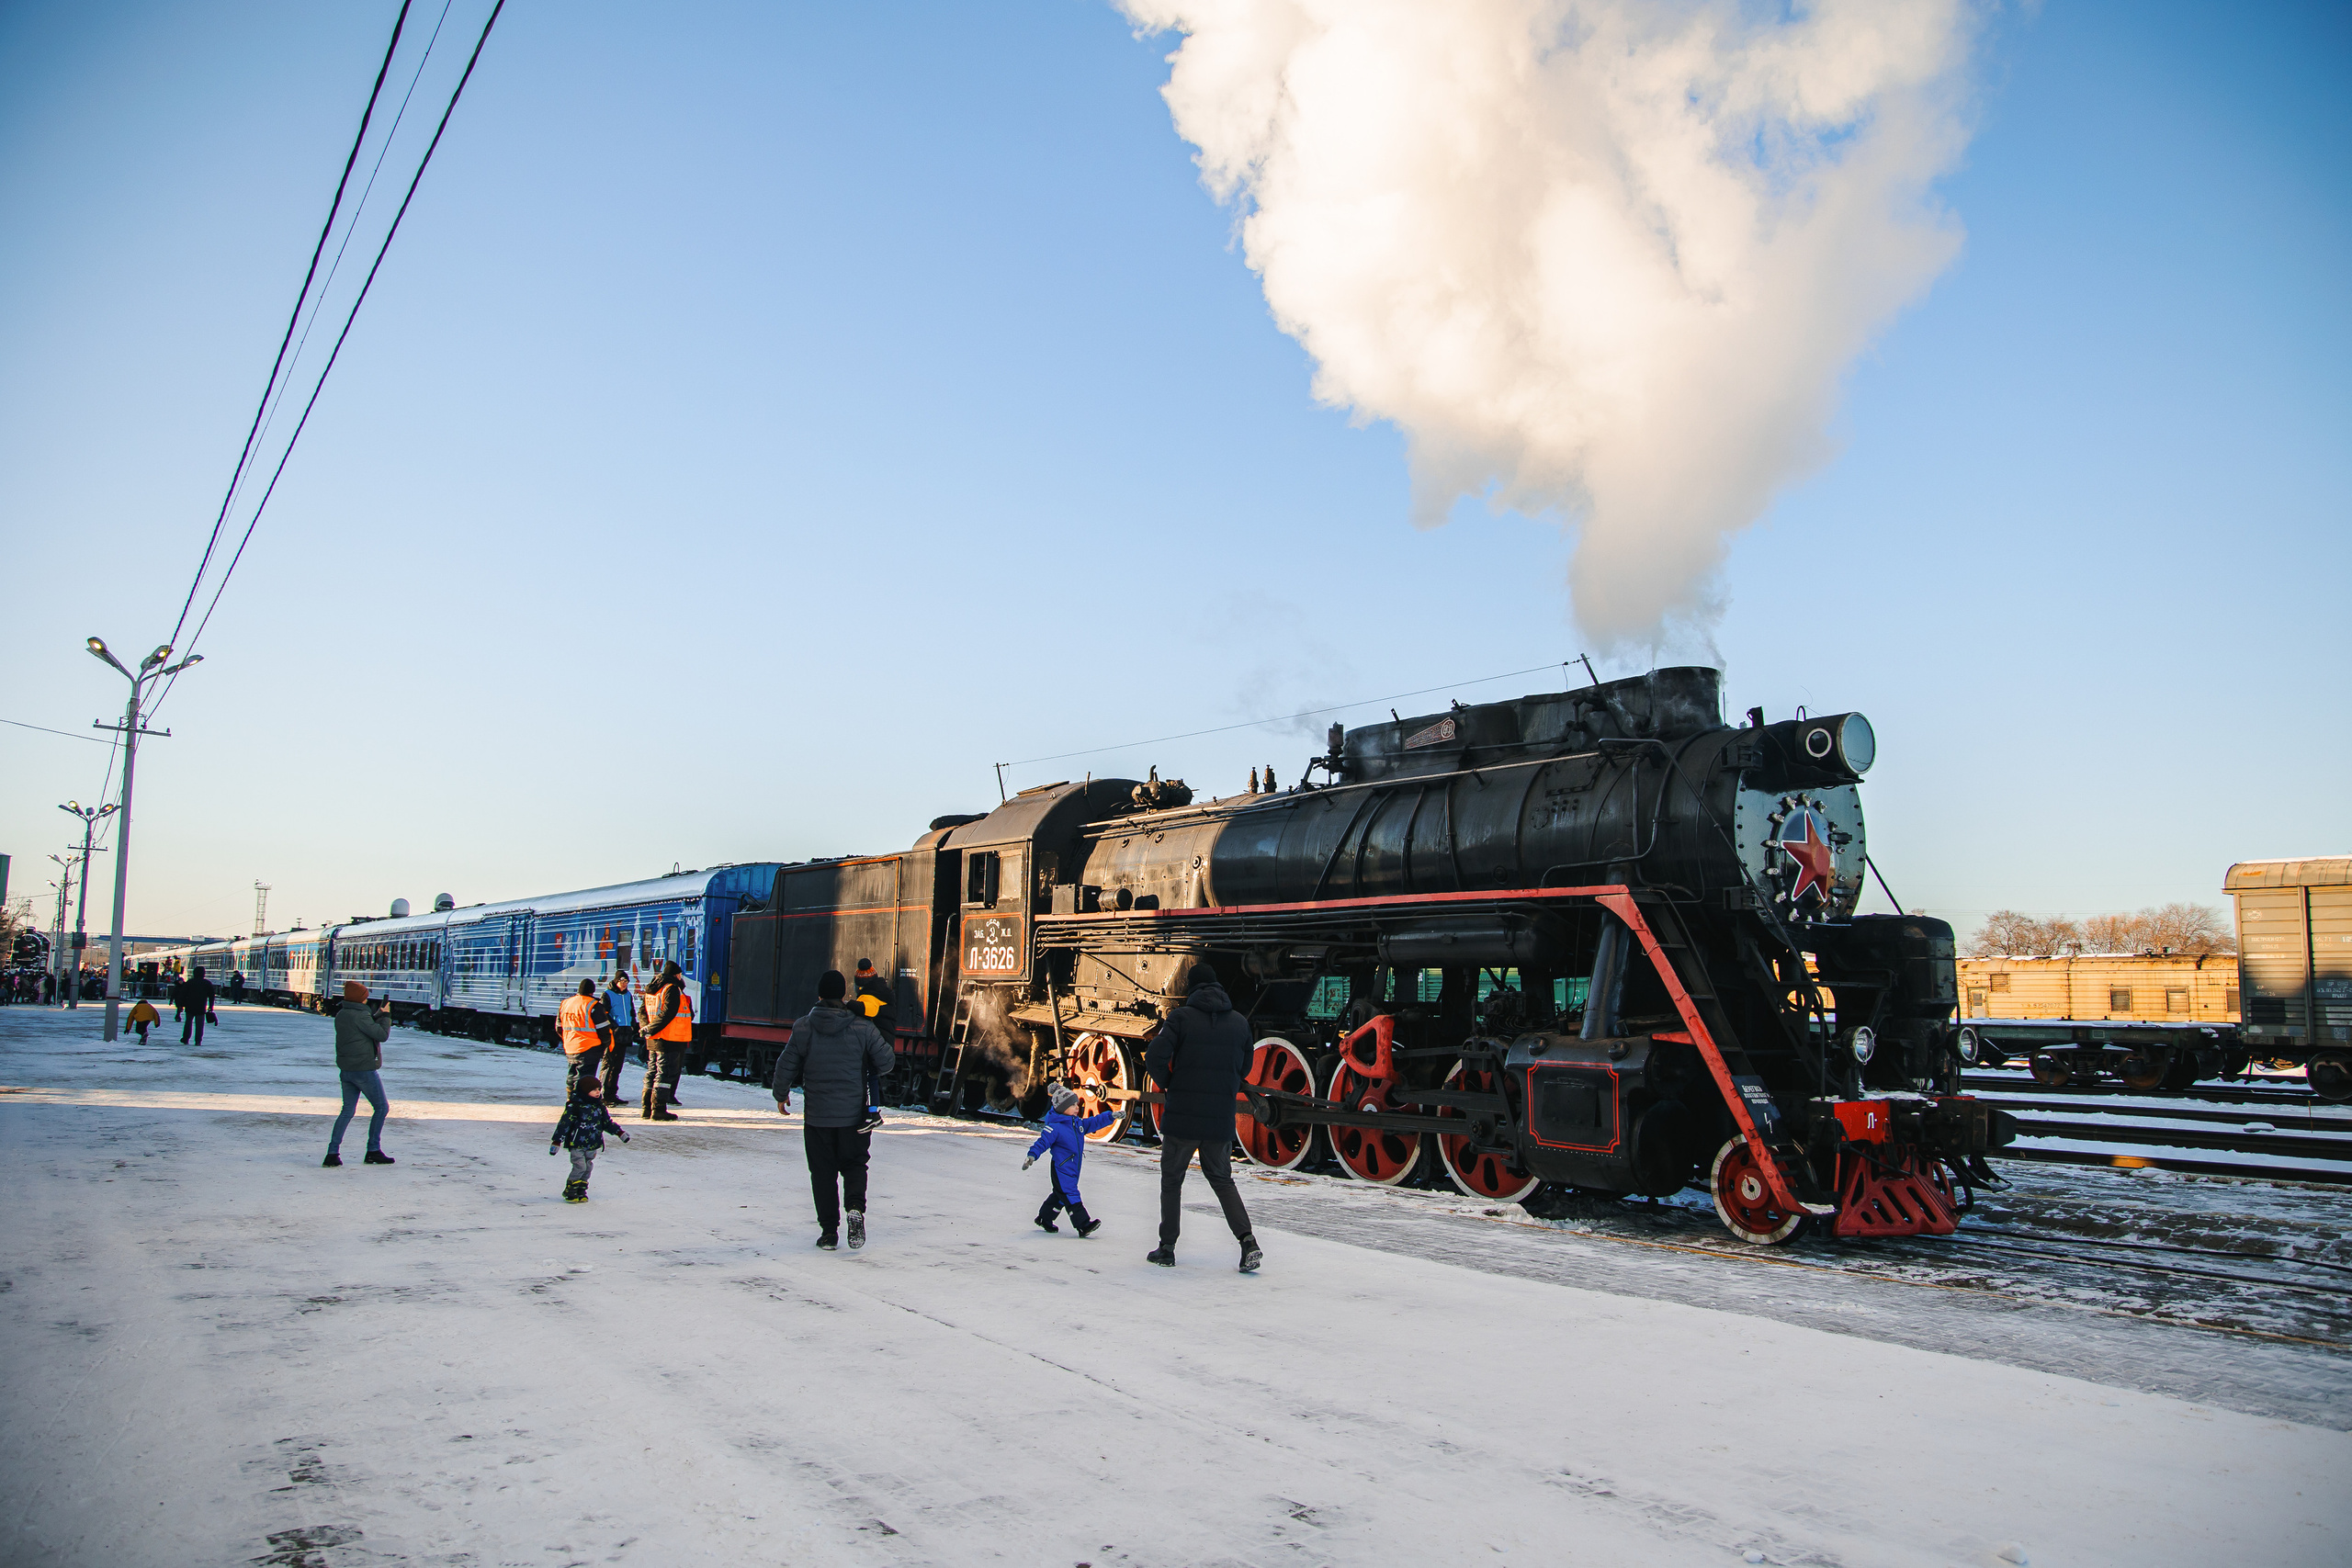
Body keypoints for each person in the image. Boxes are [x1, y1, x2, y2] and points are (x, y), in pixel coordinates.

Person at [1143, 964, 1261, 1272]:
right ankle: (1248, 1241)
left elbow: (1154, 1056)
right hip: (1218, 1120)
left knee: (1172, 1181)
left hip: (1182, 1116)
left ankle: (1167, 1248)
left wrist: (1168, 1084)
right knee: (1223, 1181)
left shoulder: (1180, 1018)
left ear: (1192, 988)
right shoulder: (1239, 1023)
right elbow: (1244, 1068)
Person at [771, 969, 895, 1251]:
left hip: (818, 1118)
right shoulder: (863, 1027)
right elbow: (887, 1062)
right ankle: (855, 1207)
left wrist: (781, 1094)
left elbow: (785, 1065)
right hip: (854, 1117)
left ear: (819, 995)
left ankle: (829, 1233)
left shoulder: (803, 1027)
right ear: (844, 996)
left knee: (823, 1173)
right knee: (854, 1164)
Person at [1023, 1082, 1114, 1235]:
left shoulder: (1076, 1124)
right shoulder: (1055, 1127)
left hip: (1072, 1168)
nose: (1077, 1108)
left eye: (1077, 1104)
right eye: (1073, 1105)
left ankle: (1044, 1218)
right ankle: (1083, 1225)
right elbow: (1042, 1142)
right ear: (1062, 1108)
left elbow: (1093, 1123)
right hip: (1061, 1168)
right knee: (1070, 1195)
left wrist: (1110, 1116)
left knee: (1060, 1196)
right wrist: (1032, 1155)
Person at [325, 981, 394, 1168]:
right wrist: (386, 1016)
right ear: (359, 998)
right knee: (381, 1108)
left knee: (347, 1110)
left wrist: (377, 1015)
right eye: (364, 994)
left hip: (346, 1070)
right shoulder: (361, 1015)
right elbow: (381, 1035)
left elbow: (363, 1027)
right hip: (363, 1070)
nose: (366, 997)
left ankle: (332, 1153)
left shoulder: (342, 1014)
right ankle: (373, 1150)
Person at [549, 1081, 630, 1201]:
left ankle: (581, 1189)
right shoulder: (575, 1107)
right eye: (594, 1090)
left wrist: (619, 1132)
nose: (598, 1092)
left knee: (588, 1167)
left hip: (593, 1143)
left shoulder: (599, 1107)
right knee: (580, 1166)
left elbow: (607, 1123)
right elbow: (564, 1124)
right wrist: (557, 1141)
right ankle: (570, 1189)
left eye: (599, 1089)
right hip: (577, 1143)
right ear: (584, 1091)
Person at [639, 961, 692, 1120]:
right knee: (664, 1073)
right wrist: (652, 1029)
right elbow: (668, 1013)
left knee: (652, 1072)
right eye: (680, 975)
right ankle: (659, 1109)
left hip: (654, 1038)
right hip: (670, 1038)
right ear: (676, 975)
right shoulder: (671, 989)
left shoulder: (652, 990)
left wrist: (647, 1028)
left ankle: (646, 1108)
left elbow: (642, 1011)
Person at [853, 958, 895, 1131]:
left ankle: (872, 1113)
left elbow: (868, 1009)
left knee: (869, 1075)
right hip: (884, 1043)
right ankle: (871, 1111)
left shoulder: (870, 996)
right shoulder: (881, 991)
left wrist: (847, 1005)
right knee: (870, 1075)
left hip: (878, 1045)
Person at [558, 978, 605, 1099]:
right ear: (592, 992)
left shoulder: (565, 1003)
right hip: (590, 1048)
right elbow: (604, 1030)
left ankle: (571, 1099)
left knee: (572, 1074)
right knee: (585, 1079)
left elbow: (559, 1027)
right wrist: (604, 1045)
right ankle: (582, 1104)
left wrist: (568, 1039)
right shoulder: (593, 1005)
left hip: (571, 1047)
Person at [600, 971, 638, 1104]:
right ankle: (603, 1094)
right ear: (616, 981)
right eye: (622, 981)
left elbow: (631, 1011)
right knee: (609, 1063)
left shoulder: (627, 995)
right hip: (614, 1033)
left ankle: (612, 1093)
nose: (624, 984)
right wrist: (614, 1026)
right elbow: (604, 1013)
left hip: (625, 1032)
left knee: (618, 1065)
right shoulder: (607, 994)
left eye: (626, 982)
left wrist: (633, 1024)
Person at [180, 965, 218, 1046]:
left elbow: (183, 994)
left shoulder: (190, 982)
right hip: (201, 1007)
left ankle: (186, 1038)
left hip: (189, 1006)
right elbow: (211, 996)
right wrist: (211, 1006)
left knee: (188, 1023)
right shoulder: (207, 983)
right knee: (200, 1025)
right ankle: (198, 1041)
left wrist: (181, 1005)